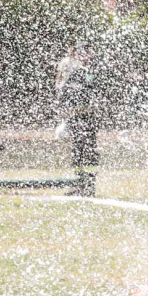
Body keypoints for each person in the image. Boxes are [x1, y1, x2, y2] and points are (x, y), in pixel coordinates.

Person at [57, 44, 99, 195]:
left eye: (86, 52)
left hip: (89, 117)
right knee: (77, 151)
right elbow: (65, 91)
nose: (83, 56)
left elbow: (100, 92)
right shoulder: (77, 72)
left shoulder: (96, 71)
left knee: (90, 151)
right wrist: (63, 112)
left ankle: (90, 186)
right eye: (81, 53)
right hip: (75, 116)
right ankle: (80, 184)